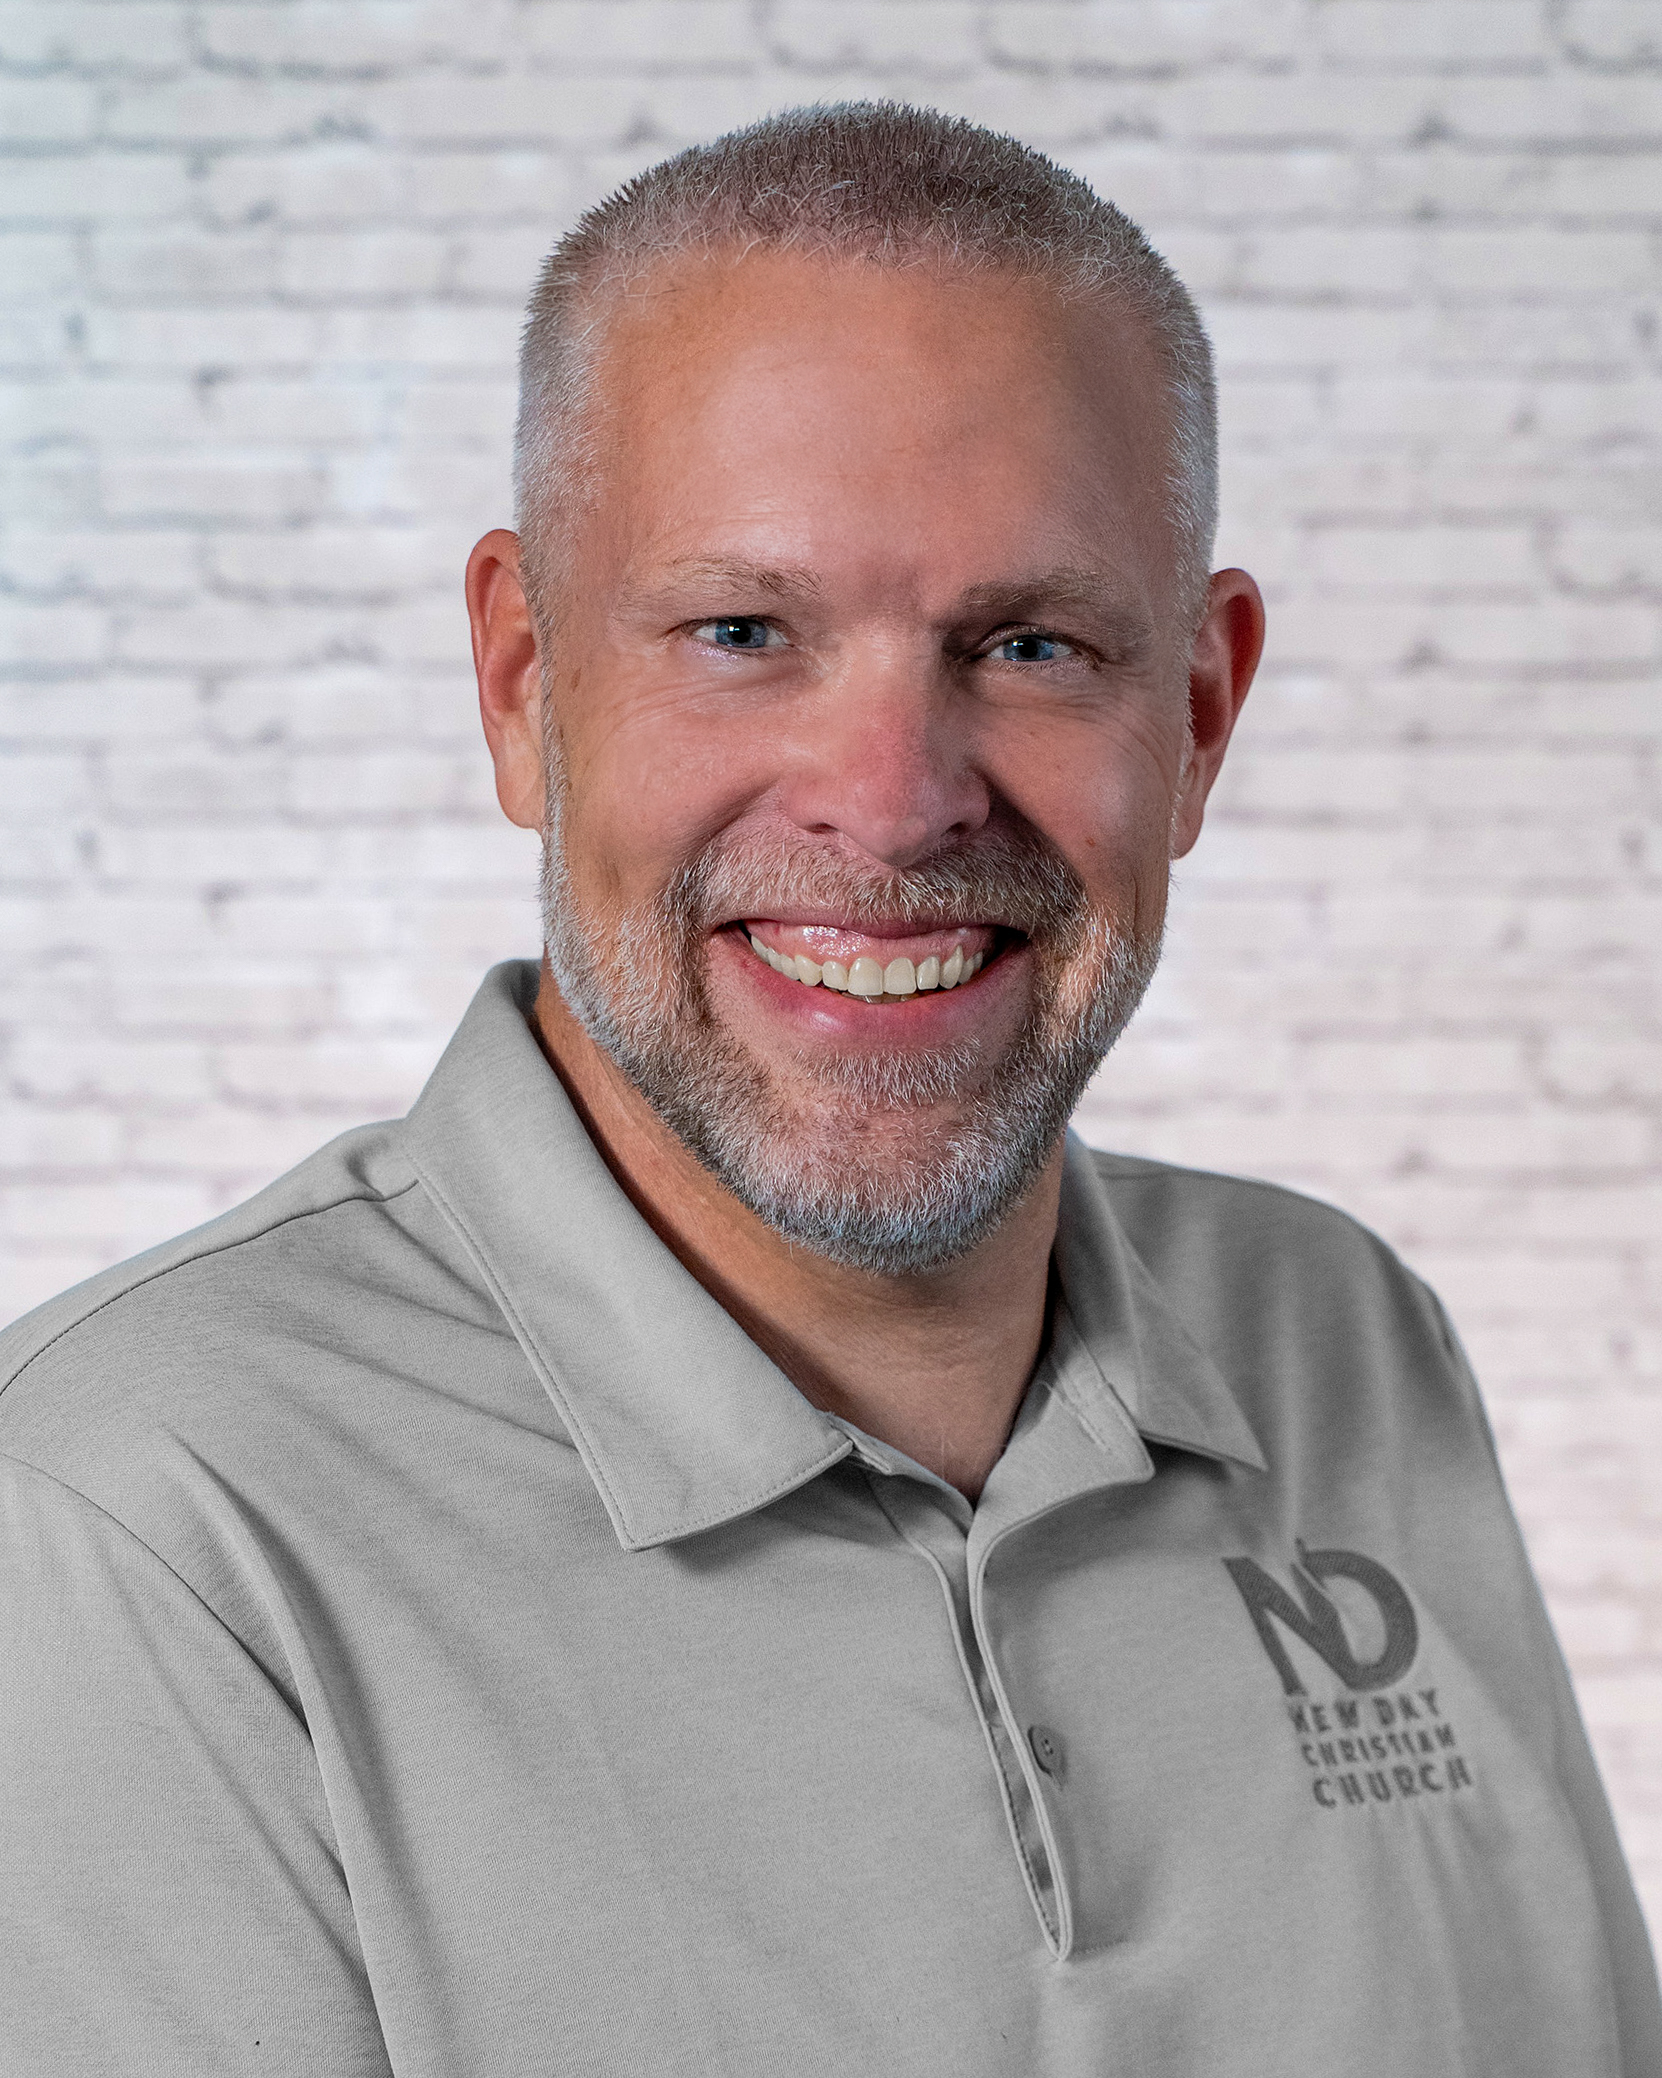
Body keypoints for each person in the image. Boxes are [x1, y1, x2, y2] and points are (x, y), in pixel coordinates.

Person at [1, 103, 1656, 2077]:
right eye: (741, 632)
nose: (892, 802)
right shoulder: (131, 1516)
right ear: (522, 682)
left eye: (1029, 642)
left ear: (1200, 715)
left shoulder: (1344, 1342)